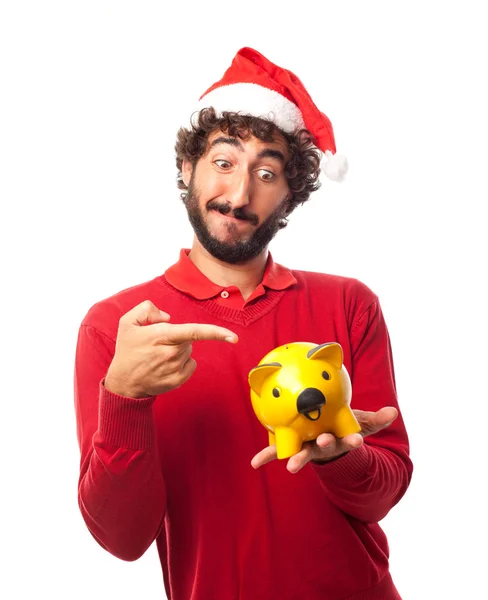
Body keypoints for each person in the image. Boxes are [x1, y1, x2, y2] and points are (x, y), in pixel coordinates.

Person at [74, 47, 413, 600]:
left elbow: (382, 494)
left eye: (266, 172)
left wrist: (341, 458)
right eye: (224, 162)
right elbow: (122, 538)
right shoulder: (118, 328)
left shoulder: (350, 305)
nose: (238, 195)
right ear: (189, 168)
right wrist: (125, 398)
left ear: (291, 195)